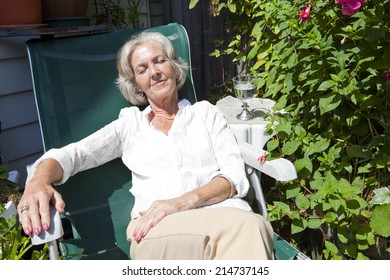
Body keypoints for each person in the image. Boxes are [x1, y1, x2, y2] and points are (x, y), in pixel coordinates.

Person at [18, 31, 274, 260]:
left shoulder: (206, 114)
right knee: (250, 228)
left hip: (225, 216)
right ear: (136, 85)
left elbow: (234, 178)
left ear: (174, 67)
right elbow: (73, 155)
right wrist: (37, 182)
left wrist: (182, 201)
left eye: (159, 61)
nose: (154, 72)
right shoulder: (130, 125)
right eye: (142, 69)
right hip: (158, 230)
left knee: (247, 227)